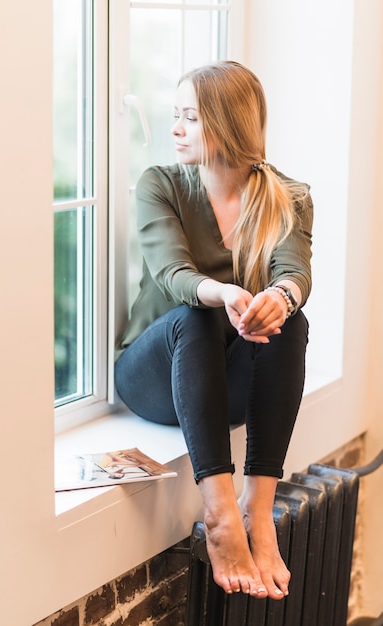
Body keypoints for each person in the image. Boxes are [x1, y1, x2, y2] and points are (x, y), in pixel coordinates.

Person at [115, 60, 313, 600]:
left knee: (291, 323)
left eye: (190, 118)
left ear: (226, 123)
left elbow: (295, 271)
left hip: (224, 388)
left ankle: (259, 510)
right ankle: (222, 515)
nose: (175, 129)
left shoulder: (286, 196)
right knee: (196, 315)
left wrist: (280, 297)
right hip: (155, 375)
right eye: (175, 116)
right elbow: (173, 274)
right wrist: (224, 293)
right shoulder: (161, 184)